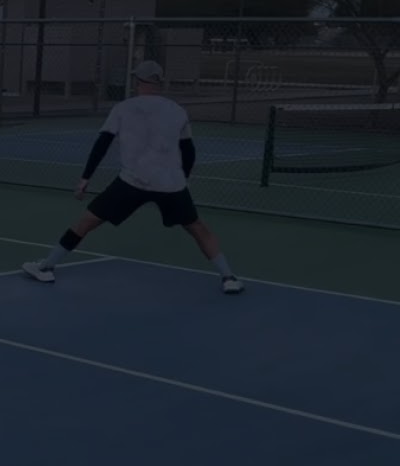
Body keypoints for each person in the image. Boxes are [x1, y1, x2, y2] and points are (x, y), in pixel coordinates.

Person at [22, 61, 244, 294]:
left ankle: (47, 267)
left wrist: (85, 178)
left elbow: (102, 143)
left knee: (86, 223)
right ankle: (228, 277)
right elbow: (189, 150)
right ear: (158, 82)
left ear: (138, 82)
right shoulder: (177, 110)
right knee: (198, 229)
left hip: (131, 182)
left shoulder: (122, 108)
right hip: (171, 184)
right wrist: (184, 179)